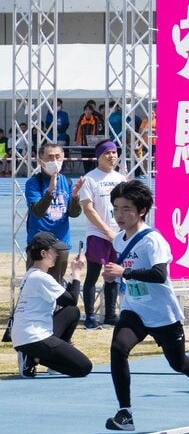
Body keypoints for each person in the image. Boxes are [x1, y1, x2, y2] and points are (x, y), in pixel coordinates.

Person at [103, 180, 189, 432]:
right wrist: (113, 275)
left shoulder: (153, 240)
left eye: (126, 209)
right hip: (134, 309)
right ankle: (125, 413)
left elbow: (159, 274)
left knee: (178, 363)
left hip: (163, 313)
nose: (120, 215)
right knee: (118, 348)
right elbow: (125, 272)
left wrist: (125, 272)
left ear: (142, 211)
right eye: (116, 209)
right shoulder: (119, 241)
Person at [12, 234, 91, 378]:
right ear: (43, 253)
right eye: (54, 251)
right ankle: (34, 358)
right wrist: (76, 273)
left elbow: (67, 304)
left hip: (25, 334)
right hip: (34, 337)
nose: (57, 255)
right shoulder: (42, 278)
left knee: (72, 312)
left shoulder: (31, 274)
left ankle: (39, 356)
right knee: (84, 367)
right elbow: (72, 299)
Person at [78, 140, 127, 328]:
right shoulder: (90, 179)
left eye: (114, 152)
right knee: (93, 274)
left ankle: (110, 315)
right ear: (99, 156)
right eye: (107, 153)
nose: (112, 156)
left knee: (113, 274)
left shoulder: (121, 179)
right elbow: (88, 209)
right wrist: (106, 230)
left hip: (118, 234)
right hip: (98, 233)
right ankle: (90, 316)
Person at [24, 141, 79, 281]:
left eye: (57, 157)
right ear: (40, 160)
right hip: (39, 243)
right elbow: (37, 211)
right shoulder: (33, 183)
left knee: (56, 285)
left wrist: (75, 197)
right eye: (50, 157)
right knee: (35, 283)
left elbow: (74, 213)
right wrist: (50, 190)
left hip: (61, 243)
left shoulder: (67, 182)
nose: (54, 161)